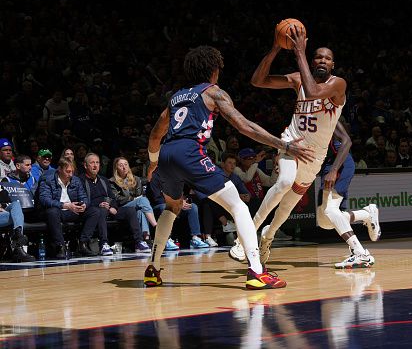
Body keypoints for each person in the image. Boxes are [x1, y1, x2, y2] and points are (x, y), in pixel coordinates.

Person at [143, 45, 313, 289]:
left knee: (172, 207)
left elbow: (155, 134)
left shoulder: (176, 97)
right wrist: (284, 145)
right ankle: (256, 271)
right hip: (189, 152)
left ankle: (152, 268)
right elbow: (244, 126)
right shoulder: (213, 92)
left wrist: (153, 163)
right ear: (214, 70)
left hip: (167, 154)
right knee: (238, 206)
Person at [244, 25, 355, 265]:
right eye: (318, 56)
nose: (322, 60)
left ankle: (268, 235)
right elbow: (257, 80)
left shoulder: (338, 84)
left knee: (289, 205)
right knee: (283, 181)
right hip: (291, 142)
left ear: (333, 65)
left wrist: (300, 53)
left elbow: (314, 91)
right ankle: (246, 235)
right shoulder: (297, 78)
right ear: (313, 61)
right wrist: (275, 48)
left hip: (314, 156)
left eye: (327, 58)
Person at [230, 122, 381, 268]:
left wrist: (334, 170)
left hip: (339, 164)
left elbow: (347, 142)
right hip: (327, 164)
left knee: (330, 210)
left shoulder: (328, 114)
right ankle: (365, 214)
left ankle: (360, 252)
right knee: (324, 221)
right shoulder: (302, 122)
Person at [79, 153, 151, 255]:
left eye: (97, 162)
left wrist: (112, 206)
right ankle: (104, 244)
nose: (95, 165)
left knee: (130, 210)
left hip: (109, 208)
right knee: (101, 211)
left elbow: (113, 197)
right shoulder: (80, 180)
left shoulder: (103, 180)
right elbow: (83, 199)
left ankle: (139, 242)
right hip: (94, 210)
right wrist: (99, 204)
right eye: (92, 163)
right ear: (86, 165)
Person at [37, 157, 95, 258]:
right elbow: (44, 199)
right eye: (68, 171)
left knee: (94, 211)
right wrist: (64, 205)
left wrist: (84, 204)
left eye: (72, 171)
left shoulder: (76, 180)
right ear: (59, 169)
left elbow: (84, 197)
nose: (70, 174)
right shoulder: (47, 179)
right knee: (53, 212)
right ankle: (60, 246)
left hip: (71, 210)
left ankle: (83, 244)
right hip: (56, 210)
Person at [146, 168, 210, 250]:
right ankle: (166, 239)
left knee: (192, 207)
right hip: (159, 207)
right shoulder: (154, 178)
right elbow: (157, 199)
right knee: (164, 207)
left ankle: (195, 237)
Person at [109, 157, 157, 242]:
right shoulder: (112, 181)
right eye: (121, 165)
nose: (124, 167)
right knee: (142, 200)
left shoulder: (136, 179)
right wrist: (132, 198)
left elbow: (139, 194)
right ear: (116, 168)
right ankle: (156, 227)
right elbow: (116, 198)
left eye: (126, 164)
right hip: (122, 207)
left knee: (140, 211)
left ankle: (145, 239)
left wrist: (135, 199)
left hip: (136, 205)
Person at [0, 184, 35, 262]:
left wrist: (2, 206)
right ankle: (18, 246)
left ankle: (18, 235)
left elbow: (7, 201)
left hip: (3, 213)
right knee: (16, 215)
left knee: (16, 204)